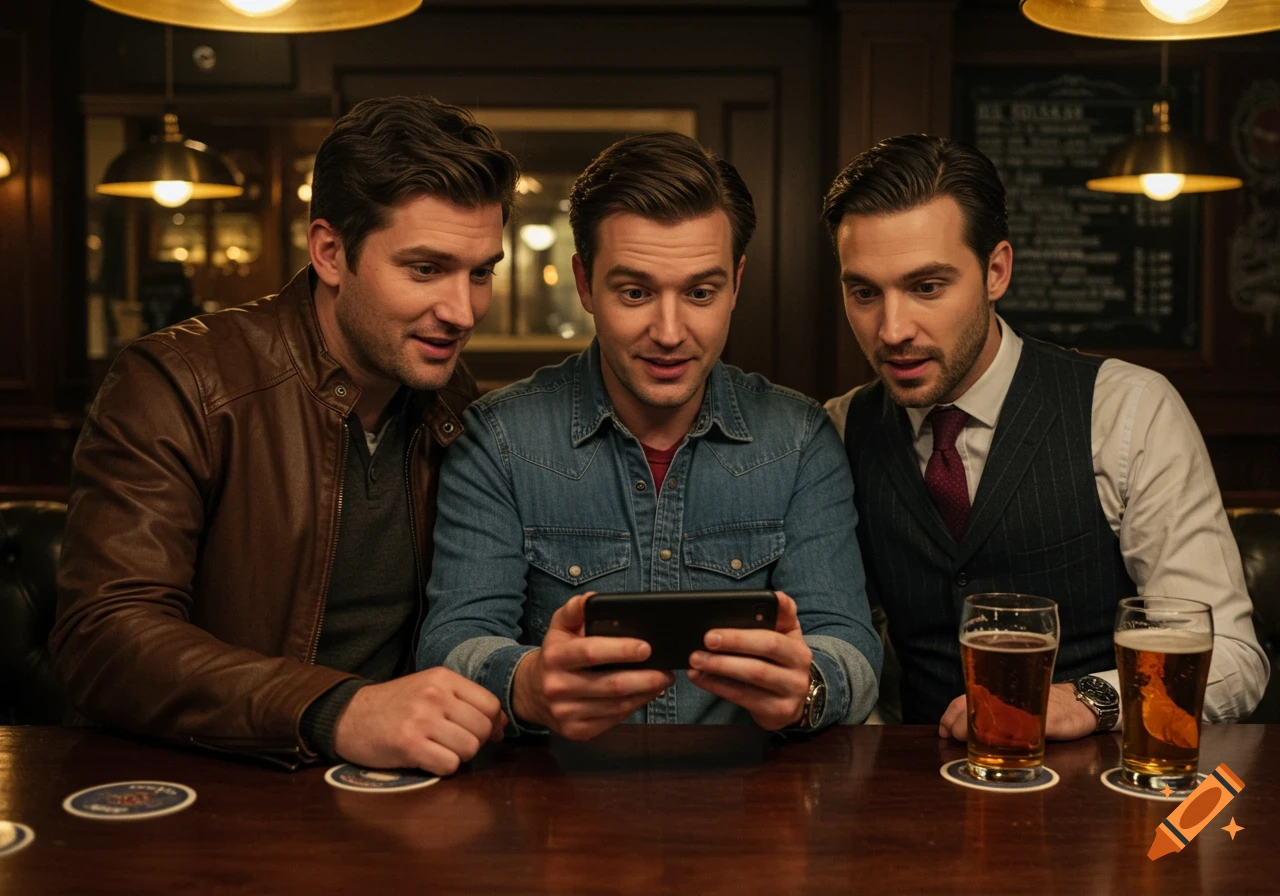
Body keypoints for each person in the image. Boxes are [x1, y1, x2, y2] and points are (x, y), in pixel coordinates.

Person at [51, 95, 518, 774]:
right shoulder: (181, 380)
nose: (462, 311)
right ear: (329, 252)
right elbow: (102, 640)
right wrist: (335, 709)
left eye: (481, 272)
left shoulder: (449, 392)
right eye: (425, 269)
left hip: (395, 784)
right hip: (205, 779)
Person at [418, 132, 882, 740]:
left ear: (736, 284)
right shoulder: (499, 439)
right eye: (635, 292)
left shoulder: (799, 440)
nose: (668, 332)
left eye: (700, 293)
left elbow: (849, 642)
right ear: (585, 284)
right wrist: (526, 684)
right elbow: (451, 642)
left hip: (750, 788)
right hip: (560, 789)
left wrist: (809, 686)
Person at [822, 133, 1269, 741]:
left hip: (1099, 780)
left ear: (996, 271)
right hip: (918, 784)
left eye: (927, 287)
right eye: (865, 292)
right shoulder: (841, 429)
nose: (893, 329)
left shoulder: (1127, 410)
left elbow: (1233, 658)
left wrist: (1087, 700)